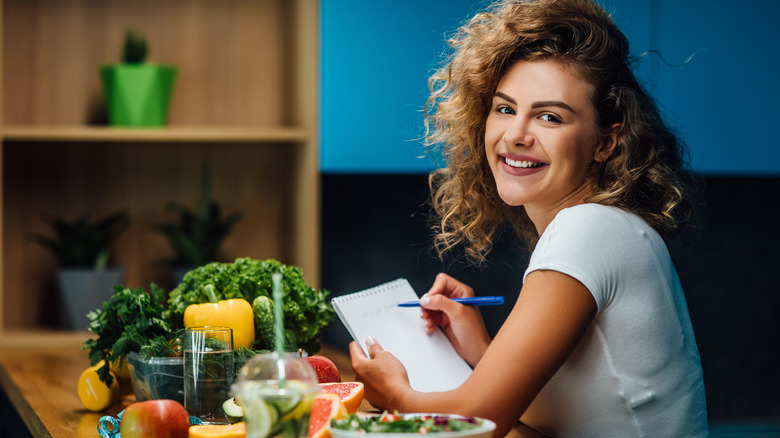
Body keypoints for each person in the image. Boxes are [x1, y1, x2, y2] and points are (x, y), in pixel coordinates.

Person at [348, 0, 709, 436]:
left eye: (549, 116)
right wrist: (482, 350)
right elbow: (567, 413)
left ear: (605, 142)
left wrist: (396, 396)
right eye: (504, 108)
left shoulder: (589, 230)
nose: (515, 135)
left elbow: (476, 426)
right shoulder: (611, 227)